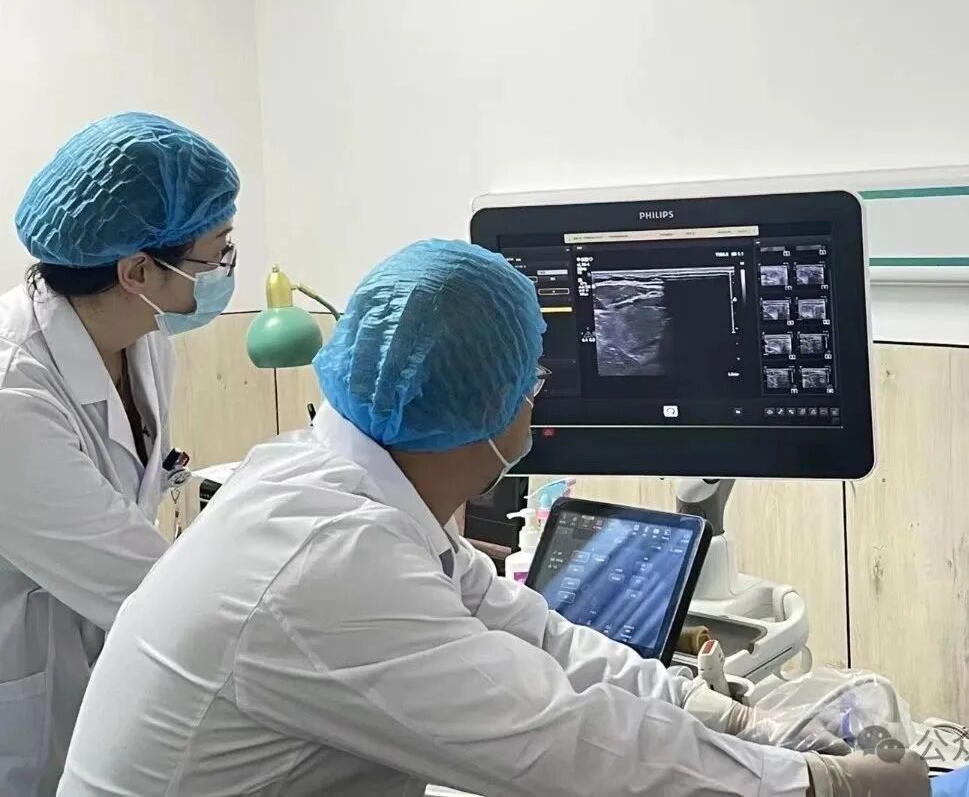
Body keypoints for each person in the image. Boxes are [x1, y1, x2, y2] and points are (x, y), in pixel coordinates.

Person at [58, 240, 928, 797]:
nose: (534, 397)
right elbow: (565, 743)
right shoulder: (331, 555)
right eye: (529, 378)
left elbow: (529, 630)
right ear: (481, 405)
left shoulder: (341, 480)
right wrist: (810, 784)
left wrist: (717, 710)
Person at [0, 112, 240, 796]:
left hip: (103, 671)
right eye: (217, 253)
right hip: (24, 710)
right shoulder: (10, 394)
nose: (226, 270)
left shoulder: (143, 335)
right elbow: (143, 587)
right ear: (137, 270)